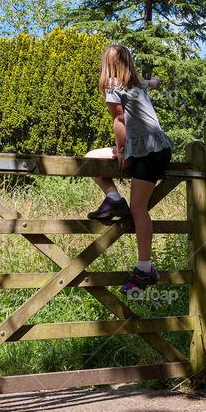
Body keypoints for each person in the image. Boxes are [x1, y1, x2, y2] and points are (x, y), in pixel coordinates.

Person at [84, 45, 173, 295]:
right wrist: (156, 80)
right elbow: (150, 83)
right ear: (128, 63)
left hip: (151, 151)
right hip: (146, 147)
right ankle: (113, 199)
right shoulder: (137, 83)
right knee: (90, 159)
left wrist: (121, 151)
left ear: (107, 66)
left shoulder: (113, 86)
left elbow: (119, 120)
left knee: (138, 209)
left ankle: (145, 268)